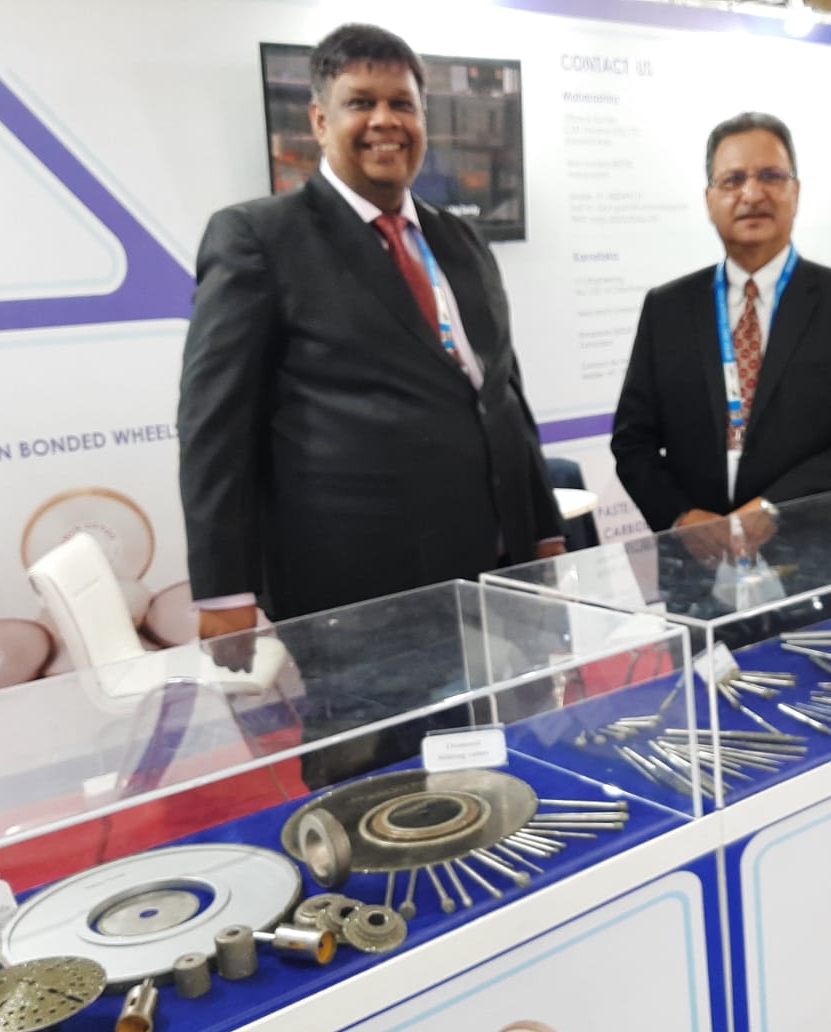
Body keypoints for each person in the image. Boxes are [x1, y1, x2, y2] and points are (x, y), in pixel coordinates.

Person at [178, 22, 563, 652]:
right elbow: (214, 425)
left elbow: (502, 393)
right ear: (319, 121)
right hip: (355, 588)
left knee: (509, 714)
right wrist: (225, 590)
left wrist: (543, 528)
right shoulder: (259, 238)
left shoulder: (461, 238)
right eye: (361, 102)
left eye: (402, 104)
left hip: (495, 563)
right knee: (379, 726)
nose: (386, 120)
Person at [610, 112, 831, 548]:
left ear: (796, 192)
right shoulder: (667, 309)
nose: (752, 194)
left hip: (821, 555)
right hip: (698, 561)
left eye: (771, 176)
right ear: (710, 200)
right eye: (733, 180)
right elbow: (632, 442)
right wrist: (681, 518)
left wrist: (777, 506)